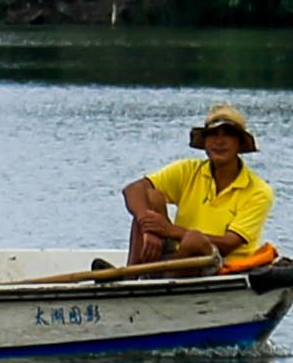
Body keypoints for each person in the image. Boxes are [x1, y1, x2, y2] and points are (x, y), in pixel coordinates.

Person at [114, 110, 276, 272]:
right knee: (150, 198)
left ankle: (161, 278)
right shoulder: (188, 170)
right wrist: (148, 225)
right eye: (213, 135)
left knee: (194, 239)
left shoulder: (258, 191)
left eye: (228, 135)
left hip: (218, 263)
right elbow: (133, 189)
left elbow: (228, 244)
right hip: (178, 253)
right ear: (205, 142)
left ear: (240, 143)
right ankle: (131, 276)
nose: (219, 142)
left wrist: (170, 230)